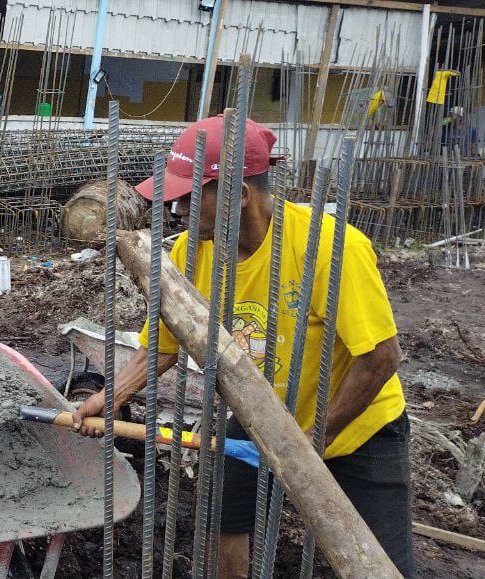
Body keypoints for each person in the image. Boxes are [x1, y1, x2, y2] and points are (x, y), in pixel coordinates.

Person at [71, 115, 416, 577]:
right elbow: (165, 345)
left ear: (239, 196)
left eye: (190, 200)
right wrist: (111, 398)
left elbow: (381, 358)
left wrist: (309, 444)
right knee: (221, 527)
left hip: (358, 428)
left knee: (379, 563)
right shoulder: (190, 253)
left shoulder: (331, 248)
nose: (177, 213)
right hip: (258, 416)